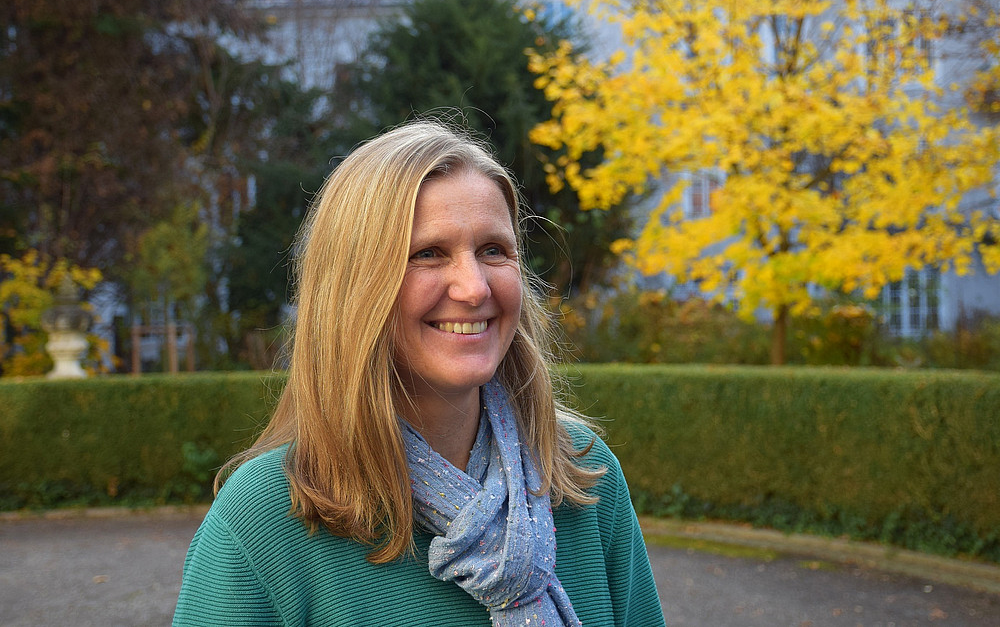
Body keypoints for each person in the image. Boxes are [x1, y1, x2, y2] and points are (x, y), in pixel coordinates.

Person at [173, 119, 665, 627]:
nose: (474, 288)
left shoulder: (581, 472)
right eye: (427, 254)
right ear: (353, 289)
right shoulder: (266, 517)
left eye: (493, 250)